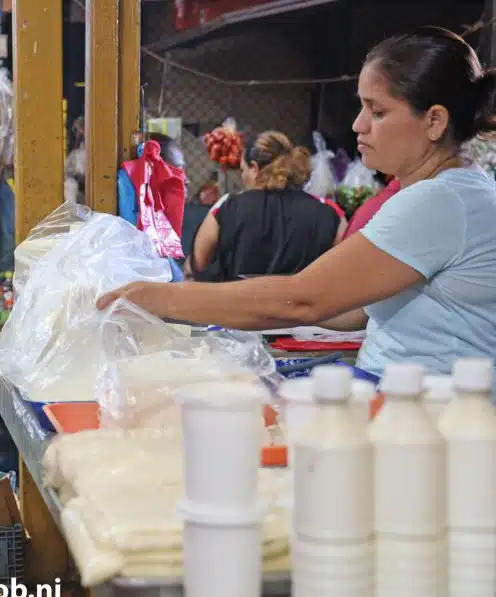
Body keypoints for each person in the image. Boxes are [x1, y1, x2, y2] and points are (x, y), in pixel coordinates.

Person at [98, 26, 496, 378]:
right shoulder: (453, 192)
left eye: (377, 111)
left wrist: (160, 297)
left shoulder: (441, 201)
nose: (358, 124)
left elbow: (306, 300)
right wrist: (242, 308)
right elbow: (351, 308)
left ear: (434, 121)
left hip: (432, 413)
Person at [187, 131, 345, 282]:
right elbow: (346, 265)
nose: (242, 176)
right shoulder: (329, 212)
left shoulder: (228, 207)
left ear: (254, 168)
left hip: (240, 299)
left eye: (243, 170)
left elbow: (198, 264)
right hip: (305, 300)